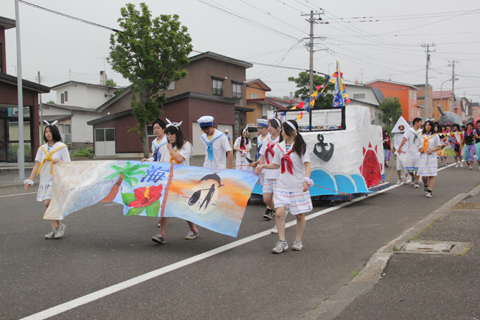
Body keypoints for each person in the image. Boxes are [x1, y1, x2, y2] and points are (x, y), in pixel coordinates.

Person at [255, 120, 313, 254]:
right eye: (281, 131)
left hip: (298, 186)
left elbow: (307, 165)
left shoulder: (301, 146)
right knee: (279, 213)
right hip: (282, 185)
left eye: (284, 131)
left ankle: (298, 240)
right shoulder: (279, 147)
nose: (282, 133)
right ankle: (282, 241)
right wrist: (263, 166)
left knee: (299, 215)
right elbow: (276, 165)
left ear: (293, 131)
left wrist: (306, 180)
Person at [152, 119, 198, 244]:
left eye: (171, 134)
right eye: (167, 134)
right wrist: (148, 161)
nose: (169, 136)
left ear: (177, 134)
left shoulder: (186, 145)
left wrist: (171, 149)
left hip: (183, 181)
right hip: (169, 181)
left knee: (185, 208)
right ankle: (161, 234)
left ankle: (193, 229)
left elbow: (179, 158)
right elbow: (161, 163)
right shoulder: (165, 147)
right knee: (166, 206)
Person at [24, 122, 71, 239]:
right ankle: (56, 227)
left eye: (49, 131)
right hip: (45, 179)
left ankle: (58, 226)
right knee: (49, 204)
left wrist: (58, 161)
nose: (48, 134)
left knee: (48, 202)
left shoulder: (61, 147)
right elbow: (37, 165)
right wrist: (30, 180)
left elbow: (68, 163)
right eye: (46, 132)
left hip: (57, 179)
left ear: (54, 133)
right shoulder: (42, 149)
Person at [142, 118, 168, 228]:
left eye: (158, 128)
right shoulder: (154, 142)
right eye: (154, 128)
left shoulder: (168, 141)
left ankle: (164, 218)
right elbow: (154, 156)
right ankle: (162, 217)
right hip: (157, 172)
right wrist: (148, 159)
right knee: (158, 195)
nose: (156, 130)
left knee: (165, 196)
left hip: (166, 171)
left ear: (163, 129)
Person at [257, 118, 282, 221]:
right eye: (269, 126)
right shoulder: (266, 139)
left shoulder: (282, 140)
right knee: (266, 199)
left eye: (272, 126)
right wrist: (259, 171)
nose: (270, 128)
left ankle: (279, 218)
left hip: (279, 174)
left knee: (277, 199)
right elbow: (262, 157)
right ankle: (280, 212)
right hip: (267, 173)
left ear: (278, 128)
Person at [418, 120, 441, 198]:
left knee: (431, 174)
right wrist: (420, 149)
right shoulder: (421, 135)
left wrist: (432, 150)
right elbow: (418, 145)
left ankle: (430, 191)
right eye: (426, 125)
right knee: (424, 175)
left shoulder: (435, 136)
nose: (427, 126)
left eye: (429, 125)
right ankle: (425, 184)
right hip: (423, 155)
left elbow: (439, 146)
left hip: (431, 156)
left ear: (432, 126)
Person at [398, 118, 422, 188]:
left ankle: (416, 181)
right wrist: (400, 148)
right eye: (420, 122)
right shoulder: (409, 131)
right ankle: (413, 176)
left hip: (418, 152)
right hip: (410, 152)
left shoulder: (421, 131)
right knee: (409, 168)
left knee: (417, 168)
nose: (421, 124)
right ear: (416, 122)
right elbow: (404, 139)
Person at [391, 117, 409, 184]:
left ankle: (404, 176)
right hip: (398, 152)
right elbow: (395, 143)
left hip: (405, 152)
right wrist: (398, 149)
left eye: (402, 127)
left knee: (406, 165)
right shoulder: (396, 134)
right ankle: (399, 178)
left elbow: (408, 143)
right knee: (398, 166)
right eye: (400, 127)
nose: (401, 128)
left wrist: (403, 149)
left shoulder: (407, 134)